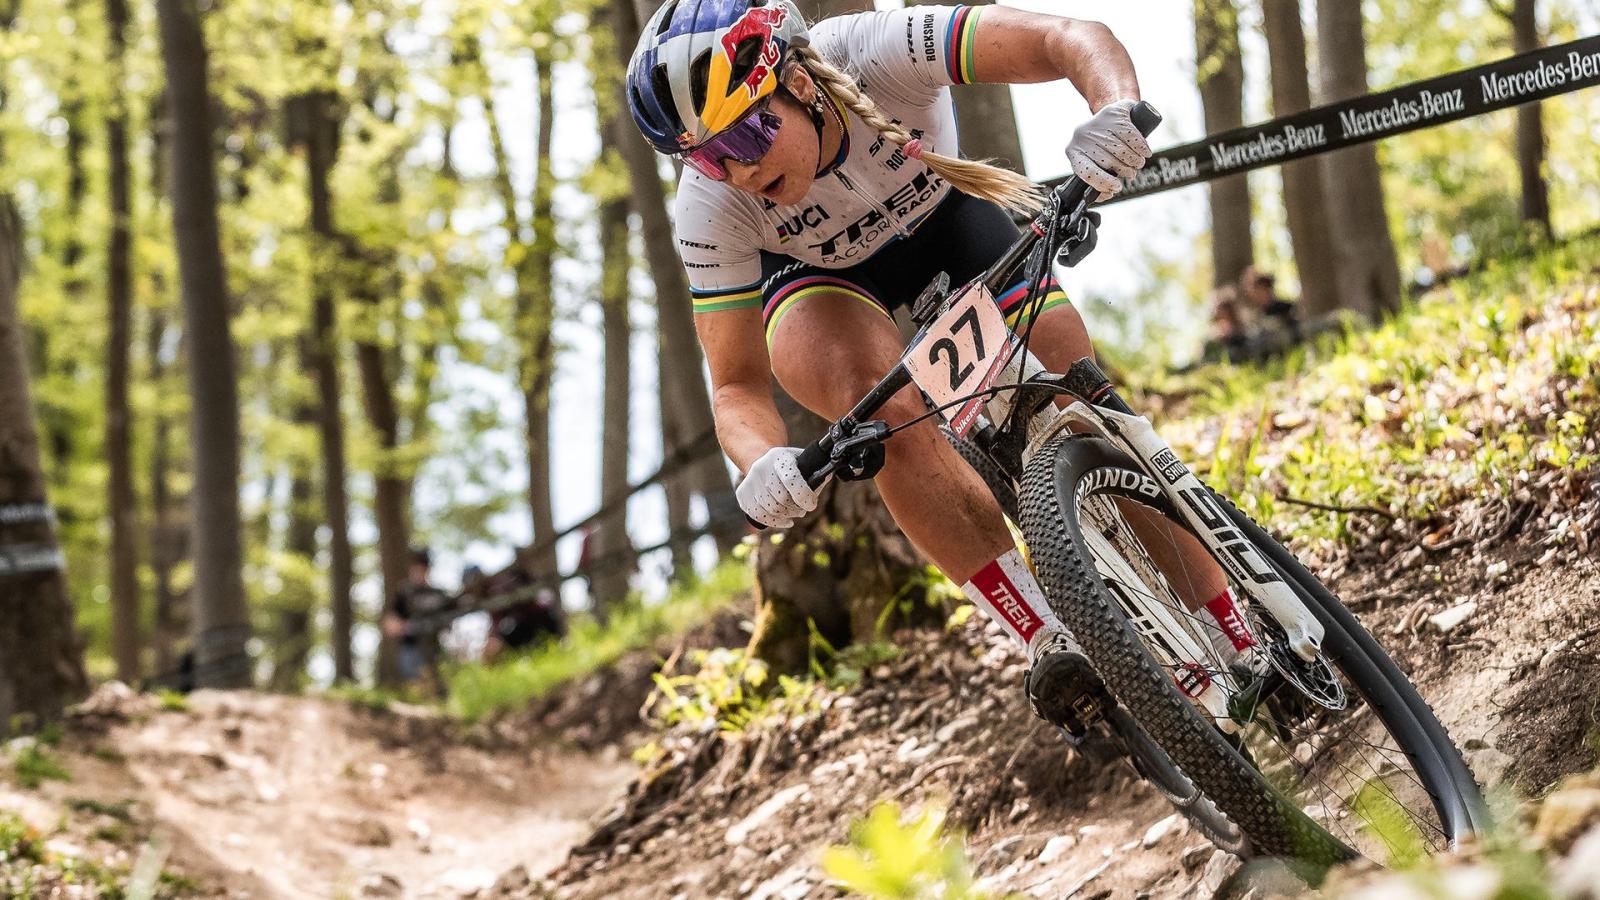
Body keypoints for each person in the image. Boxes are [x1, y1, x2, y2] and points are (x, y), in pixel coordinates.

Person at [625, 0, 1249, 734]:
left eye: (745, 133)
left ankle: (1236, 635)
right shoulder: (709, 210)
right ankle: (1044, 635)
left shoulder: (874, 51)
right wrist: (761, 461)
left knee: (1072, 382)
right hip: (822, 284)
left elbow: (1070, 37)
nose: (738, 169)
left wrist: (1112, 109)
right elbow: (735, 384)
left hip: (950, 226)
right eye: (708, 158)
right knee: (872, 411)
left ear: (798, 81)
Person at [381, 546, 454, 691]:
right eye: (415, 567)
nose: (419, 571)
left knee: (439, 687)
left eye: (422, 567)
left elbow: (450, 622)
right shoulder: (404, 593)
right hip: (411, 649)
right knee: (416, 687)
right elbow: (389, 624)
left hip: (435, 649)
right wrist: (407, 626)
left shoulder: (439, 595)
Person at [1240, 266, 1301, 343]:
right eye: (1256, 290)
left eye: (1263, 288)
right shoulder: (1249, 316)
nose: (1261, 294)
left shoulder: (1285, 308)